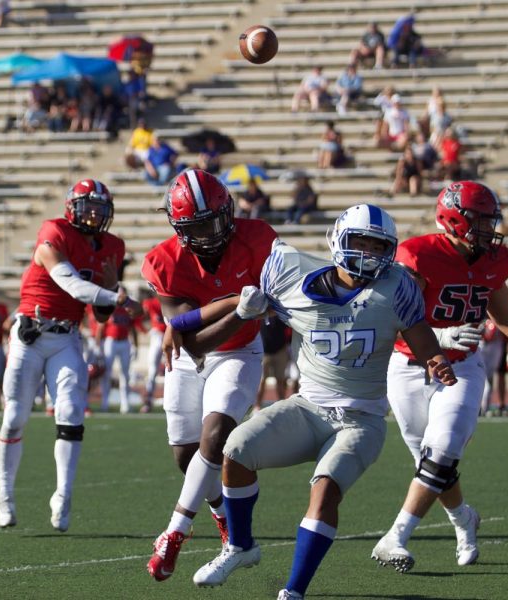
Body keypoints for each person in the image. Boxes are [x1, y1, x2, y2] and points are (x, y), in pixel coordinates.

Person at [171, 204, 454, 597]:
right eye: (361, 242)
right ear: (339, 239)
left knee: (324, 489)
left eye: (378, 246)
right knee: (234, 451)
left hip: (360, 418)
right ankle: (240, 545)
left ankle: (293, 592)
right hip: (307, 408)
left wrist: (435, 358)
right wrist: (179, 323)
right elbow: (241, 298)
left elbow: (419, 331)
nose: (369, 253)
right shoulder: (290, 274)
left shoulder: (396, 287)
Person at [372, 182, 508, 573]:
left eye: (490, 219)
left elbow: (507, 318)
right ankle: (464, 520)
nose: (489, 228)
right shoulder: (418, 254)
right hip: (409, 368)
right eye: (481, 220)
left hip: (461, 368)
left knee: (441, 452)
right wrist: (441, 335)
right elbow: (386, 318)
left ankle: (395, 537)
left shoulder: (495, 260)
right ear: (454, 218)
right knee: (431, 466)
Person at [141, 169, 278, 581]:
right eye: (199, 225)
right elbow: (193, 341)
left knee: (215, 437)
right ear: (180, 227)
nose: (212, 231)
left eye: (216, 219)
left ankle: (174, 532)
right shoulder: (164, 260)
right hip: (190, 357)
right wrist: (239, 306)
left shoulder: (257, 238)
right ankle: (224, 519)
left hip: (240, 351)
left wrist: (244, 313)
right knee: (187, 457)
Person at [0, 179, 141, 532]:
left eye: (99, 208)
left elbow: (100, 314)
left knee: (73, 412)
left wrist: (110, 290)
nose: (93, 214)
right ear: (71, 207)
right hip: (31, 333)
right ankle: (6, 494)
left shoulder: (112, 247)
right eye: (86, 206)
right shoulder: (53, 231)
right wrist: (118, 296)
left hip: (67, 336)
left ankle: (63, 495)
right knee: (14, 417)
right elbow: (71, 284)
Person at [94, 303, 137, 414]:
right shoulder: (109, 308)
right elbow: (100, 327)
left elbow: (132, 328)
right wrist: (98, 346)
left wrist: (135, 345)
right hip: (111, 341)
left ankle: (125, 404)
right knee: (107, 373)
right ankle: (105, 402)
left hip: (124, 342)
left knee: (125, 374)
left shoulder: (127, 309)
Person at [140, 288, 166, 413]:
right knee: (152, 370)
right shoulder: (150, 303)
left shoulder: (170, 301)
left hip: (172, 335)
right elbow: (138, 317)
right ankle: (148, 400)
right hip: (158, 335)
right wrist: (145, 330)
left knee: (175, 369)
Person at [256, 318, 290, 408]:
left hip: (280, 351)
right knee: (261, 381)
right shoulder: (259, 315)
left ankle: (282, 406)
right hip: (264, 352)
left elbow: (288, 330)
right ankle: (257, 406)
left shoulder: (280, 315)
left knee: (280, 381)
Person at [478, 320, 507, 416]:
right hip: (483, 349)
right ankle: (483, 408)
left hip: (492, 348)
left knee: (489, 381)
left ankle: (484, 408)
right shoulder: (481, 321)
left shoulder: (494, 322)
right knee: (486, 384)